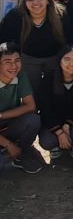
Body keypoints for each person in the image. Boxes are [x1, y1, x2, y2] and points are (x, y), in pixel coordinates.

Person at [0, 0, 68, 94]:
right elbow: (5, 39)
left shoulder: (60, 14)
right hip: (28, 58)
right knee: (32, 90)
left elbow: (69, 37)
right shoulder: (15, 16)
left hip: (54, 57)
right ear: (24, 2)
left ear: (47, 0)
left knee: (54, 90)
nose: (35, 2)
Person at [37, 45, 73, 160]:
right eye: (67, 59)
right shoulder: (49, 79)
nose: (72, 63)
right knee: (48, 142)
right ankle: (56, 145)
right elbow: (45, 107)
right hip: (52, 121)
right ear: (59, 61)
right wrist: (59, 132)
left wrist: (67, 125)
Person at [0, 42, 42, 174]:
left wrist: (1, 115)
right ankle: (9, 149)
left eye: (17, 61)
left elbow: (30, 106)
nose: (13, 66)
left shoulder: (20, 75)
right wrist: (8, 145)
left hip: (8, 123)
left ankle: (22, 151)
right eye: (7, 61)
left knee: (33, 119)